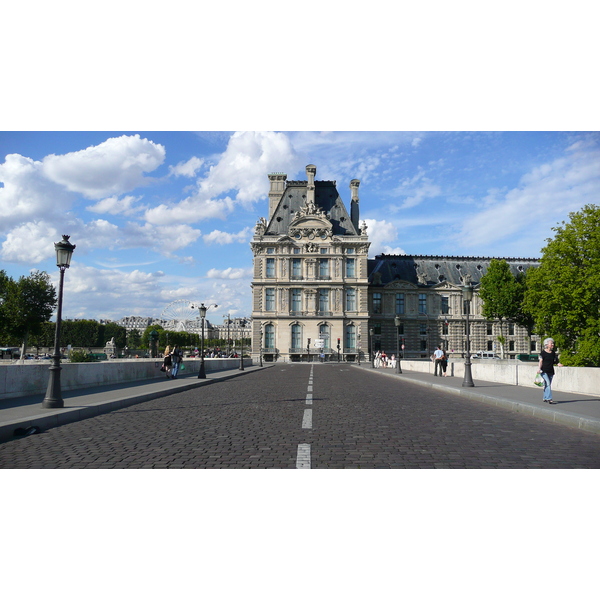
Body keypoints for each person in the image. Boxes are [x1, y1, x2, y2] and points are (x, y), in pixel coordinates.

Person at [537, 338, 563, 404]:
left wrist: (558, 364)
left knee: (547, 384)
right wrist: (539, 369)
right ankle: (549, 398)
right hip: (544, 371)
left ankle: (545, 397)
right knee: (548, 384)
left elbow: (555, 361)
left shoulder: (553, 353)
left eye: (553, 343)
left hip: (551, 371)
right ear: (546, 344)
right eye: (551, 343)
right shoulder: (543, 353)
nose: (552, 344)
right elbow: (541, 361)